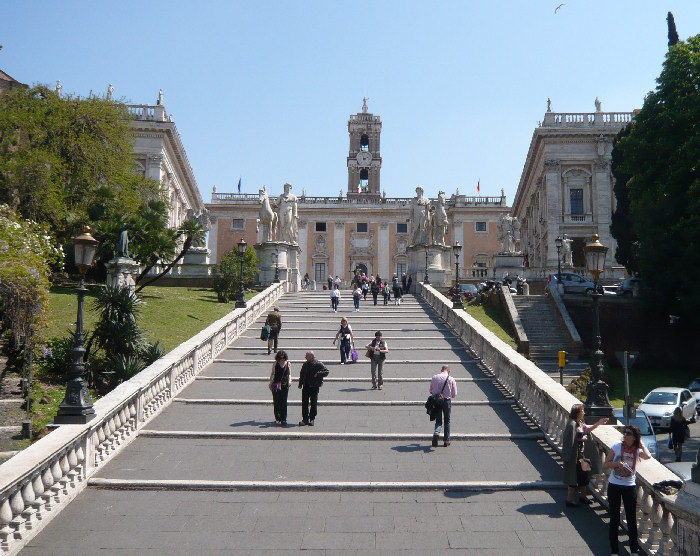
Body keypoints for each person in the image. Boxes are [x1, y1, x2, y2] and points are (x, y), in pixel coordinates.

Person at [604, 424, 652, 555]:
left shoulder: (637, 450)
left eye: (628, 433)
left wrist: (641, 444)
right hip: (614, 485)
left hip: (629, 486)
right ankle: (614, 551)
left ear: (634, 437)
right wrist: (616, 464)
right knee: (614, 519)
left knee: (631, 519)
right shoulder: (616, 447)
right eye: (624, 433)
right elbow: (606, 464)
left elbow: (648, 456)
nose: (625, 435)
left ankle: (633, 551)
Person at [562, 404, 608, 507]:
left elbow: (587, 430)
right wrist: (581, 439)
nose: (584, 413)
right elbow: (570, 440)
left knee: (584, 477)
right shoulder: (572, 424)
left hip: (582, 456)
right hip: (575, 456)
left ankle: (583, 497)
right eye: (582, 411)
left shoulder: (580, 423)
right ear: (578, 413)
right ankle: (569, 500)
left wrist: (599, 423)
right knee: (573, 478)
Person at [298, 351, 329, 426]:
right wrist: (300, 384)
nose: (305, 358)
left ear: (311, 357)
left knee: (313, 403)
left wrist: (318, 374)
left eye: (307, 356)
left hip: (314, 386)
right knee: (304, 403)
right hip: (306, 386)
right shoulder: (305, 364)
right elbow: (302, 374)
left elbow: (326, 371)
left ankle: (312, 419)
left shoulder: (318, 364)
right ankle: (305, 419)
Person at [429, 365, 457, 447]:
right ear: (449, 371)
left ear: (441, 370)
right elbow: (454, 394)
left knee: (438, 420)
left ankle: (437, 432)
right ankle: (446, 441)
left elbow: (431, 391)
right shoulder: (451, 379)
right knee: (447, 421)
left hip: (437, 401)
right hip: (447, 401)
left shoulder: (434, 377)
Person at [269, 350, 292, 426]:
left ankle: (283, 419)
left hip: (285, 385)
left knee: (284, 402)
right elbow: (273, 373)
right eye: (280, 358)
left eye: (283, 358)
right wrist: (270, 382)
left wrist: (290, 381)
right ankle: (277, 417)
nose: (282, 359)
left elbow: (289, 374)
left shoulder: (288, 364)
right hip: (276, 384)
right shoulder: (275, 363)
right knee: (276, 401)